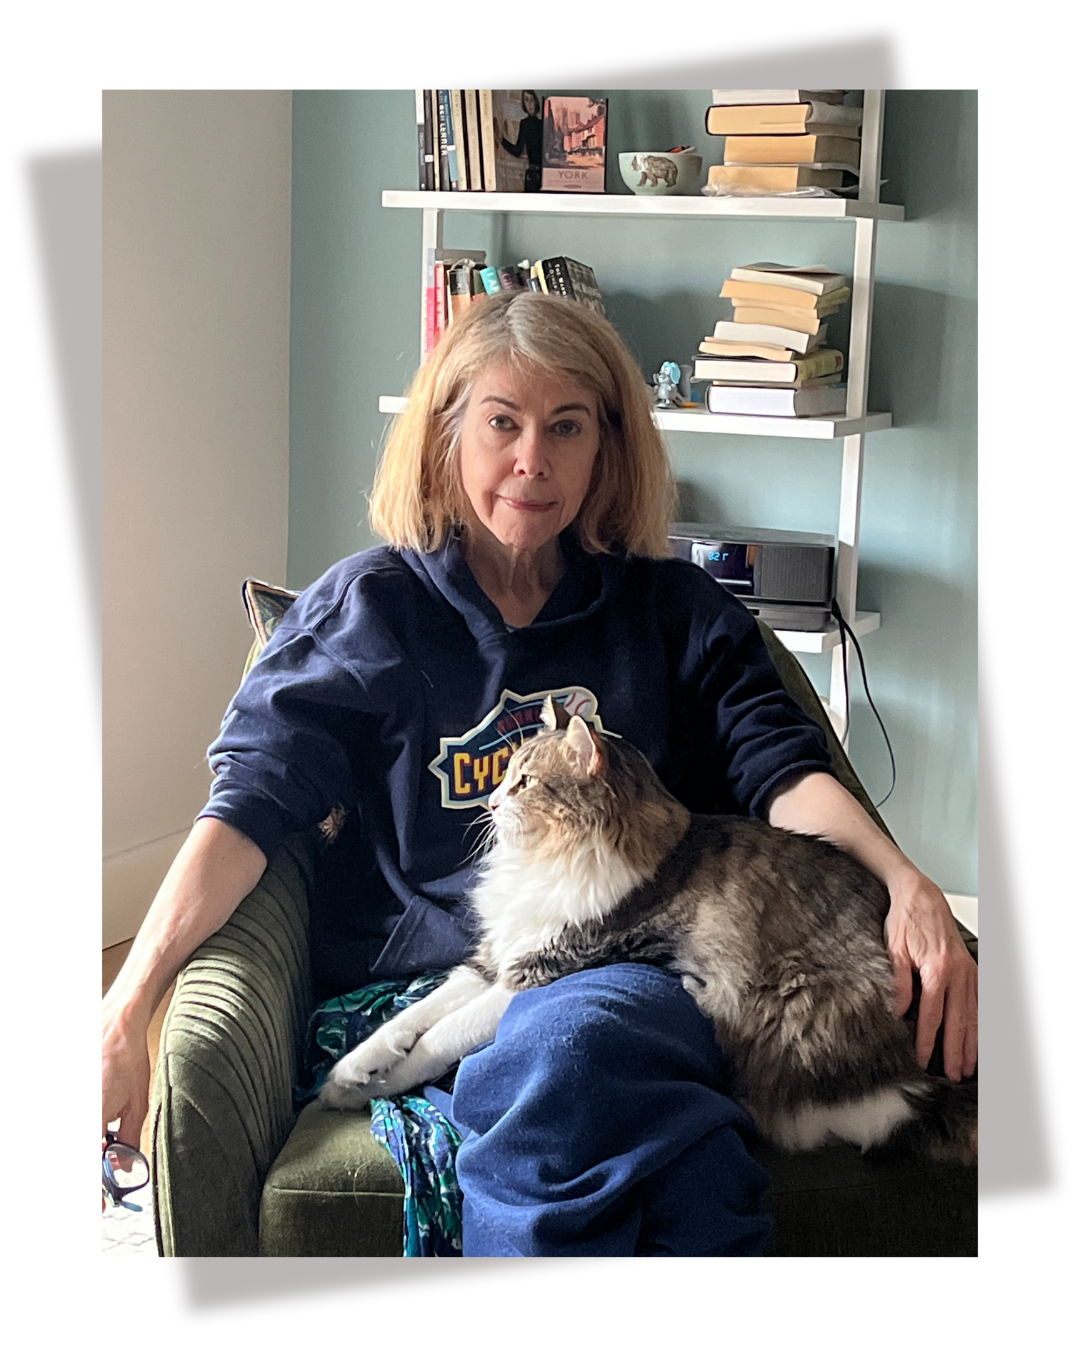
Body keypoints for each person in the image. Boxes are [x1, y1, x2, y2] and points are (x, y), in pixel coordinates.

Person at [102, 290, 977, 1256]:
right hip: (426, 990)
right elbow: (246, 814)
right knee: (665, 1146)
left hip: (631, 976)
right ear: (447, 435)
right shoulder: (368, 611)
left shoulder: (674, 609)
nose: (533, 459)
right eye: (502, 423)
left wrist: (904, 881)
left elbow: (783, 773)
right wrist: (126, 1008)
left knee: (581, 1042)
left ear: (607, 447)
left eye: (567, 426)